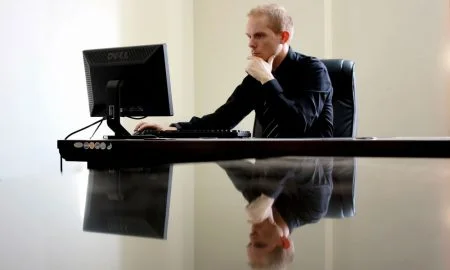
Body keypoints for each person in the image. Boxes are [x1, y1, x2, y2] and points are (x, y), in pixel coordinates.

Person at [135, 3, 334, 138]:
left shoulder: (313, 70)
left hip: (310, 178)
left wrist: (267, 79)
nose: (251, 44)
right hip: (268, 175)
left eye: (259, 36)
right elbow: (222, 119)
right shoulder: (257, 77)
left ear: (283, 37)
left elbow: (298, 125)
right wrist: (173, 129)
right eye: (249, 36)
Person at [217, 156, 334, 269]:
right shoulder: (312, 209)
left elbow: (228, 159)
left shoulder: (255, 199)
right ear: (284, 242)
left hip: (269, 137)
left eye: (249, 243)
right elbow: (298, 154)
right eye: (260, 244)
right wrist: (267, 198)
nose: (251, 236)